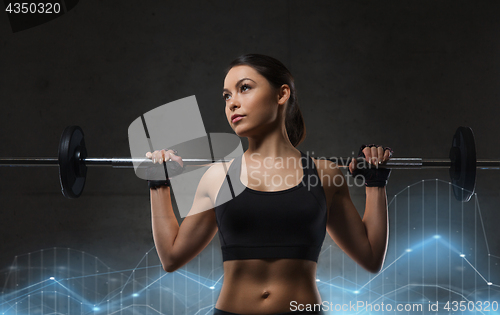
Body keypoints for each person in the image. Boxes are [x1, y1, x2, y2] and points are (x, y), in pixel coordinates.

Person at [145, 54, 393, 315]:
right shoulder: (218, 177)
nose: (232, 103)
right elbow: (171, 258)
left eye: (244, 88)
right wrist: (158, 182)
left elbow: (371, 257)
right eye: (227, 96)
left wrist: (375, 182)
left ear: (282, 94)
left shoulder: (325, 174)